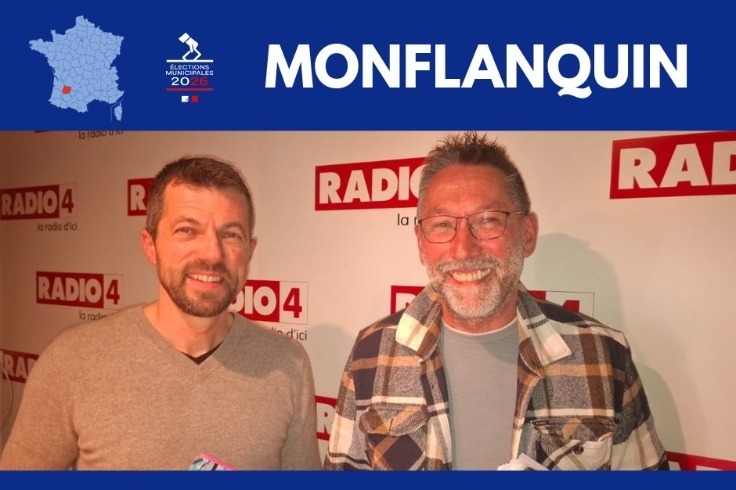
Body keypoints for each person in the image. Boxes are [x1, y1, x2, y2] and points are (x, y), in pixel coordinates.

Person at [324, 132, 668, 471]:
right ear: (420, 242)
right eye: (442, 225)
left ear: (527, 234)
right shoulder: (372, 354)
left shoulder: (603, 356)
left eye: (488, 220)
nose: (463, 250)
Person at [0, 156, 321, 470]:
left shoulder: (287, 365)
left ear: (250, 251)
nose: (212, 253)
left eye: (230, 234)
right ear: (150, 245)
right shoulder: (73, 360)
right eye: (187, 230)